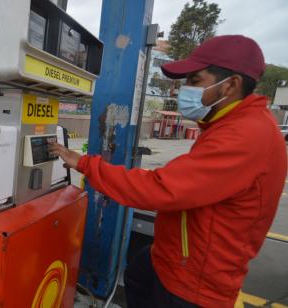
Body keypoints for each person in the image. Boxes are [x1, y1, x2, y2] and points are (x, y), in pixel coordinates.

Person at [49, 35, 287, 307]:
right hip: (176, 257)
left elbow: (160, 189)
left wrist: (83, 163)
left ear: (231, 85)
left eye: (195, 80)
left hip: (195, 281)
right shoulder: (233, 125)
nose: (183, 90)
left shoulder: (245, 135)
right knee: (139, 272)